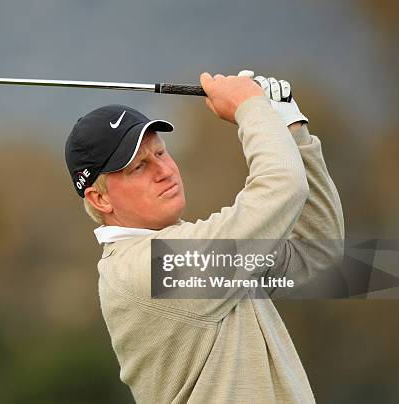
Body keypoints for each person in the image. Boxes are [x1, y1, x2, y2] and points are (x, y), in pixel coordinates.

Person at [64, 70, 344, 403]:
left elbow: (314, 249)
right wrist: (250, 107)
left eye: (161, 154)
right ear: (101, 199)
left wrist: (291, 128)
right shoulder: (149, 270)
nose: (164, 170)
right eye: (138, 167)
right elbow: (282, 188)